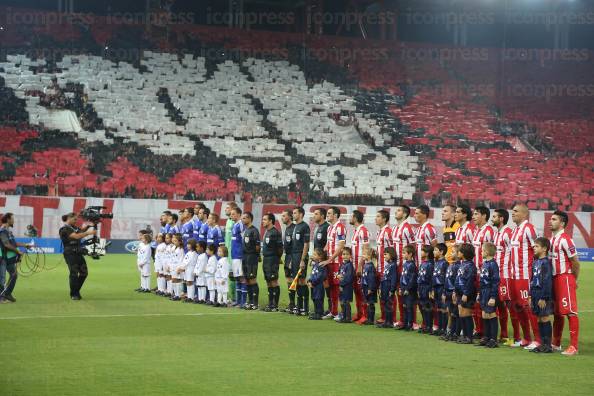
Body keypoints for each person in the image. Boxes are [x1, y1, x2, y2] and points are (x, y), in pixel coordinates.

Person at [549, 210, 580, 356]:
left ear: (562, 223)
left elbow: (575, 262)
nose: (550, 221)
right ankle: (556, 343)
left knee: (570, 312)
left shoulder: (565, 239)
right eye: (551, 219)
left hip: (564, 278)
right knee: (557, 313)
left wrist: (574, 279)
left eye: (554, 219)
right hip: (554, 279)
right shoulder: (552, 239)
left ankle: (574, 346)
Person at [510, 203, 540, 350]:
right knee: (517, 307)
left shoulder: (529, 228)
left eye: (515, 211)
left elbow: (539, 249)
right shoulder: (515, 230)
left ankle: (538, 339)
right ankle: (526, 338)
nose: (512, 213)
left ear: (524, 214)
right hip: (514, 275)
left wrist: (536, 271)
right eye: (512, 211)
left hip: (525, 275)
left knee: (528, 307)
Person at [492, 208, 517, 345]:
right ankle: (504, 335)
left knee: (510, 306)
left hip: (506, 275)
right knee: (500, 305)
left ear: (501, 218)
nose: (492, 219)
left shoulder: (508, 233)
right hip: (497, 275)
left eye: (495, 216)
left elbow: (513, 253)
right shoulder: (497, 233)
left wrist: (511, 272)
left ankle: (517, 337)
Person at [58, 212, 96, 300]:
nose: (76, 221)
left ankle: (76, 291)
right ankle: (74, 294)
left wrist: (90, 225)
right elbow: (76, 236)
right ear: (69, 218)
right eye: (74, 219)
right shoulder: (64, 229)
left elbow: (81, 231)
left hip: (79, 252)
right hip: (70, 254)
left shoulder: (73, 227)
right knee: (74, 273)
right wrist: (89, 233)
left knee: (84, 273)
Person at [471, 206, 495, 337]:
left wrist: (485, 269)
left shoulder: (488, 231)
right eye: (473, 214)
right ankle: (479, 330)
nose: (473, 216)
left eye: (476, 214)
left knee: (485, 303)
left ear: (484, 216)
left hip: (484, 272)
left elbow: (490, 252)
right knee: (476, 302)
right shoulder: (476, 231)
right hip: (475, 271)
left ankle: (488, 333)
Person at [413, 205, 437, 329]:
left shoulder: (429, 229)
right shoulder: (418, 229)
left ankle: (434, 324)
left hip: (428, 268)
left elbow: (435, 247)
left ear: (424, 214)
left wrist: (432, 266)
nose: (414, 215)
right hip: (419, 267)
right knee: (420, 298)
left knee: (429, 298)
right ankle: (425, 322)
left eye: (417, 213)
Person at [320, 206, 346, 319]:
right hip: (329, 262)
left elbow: (341, 246)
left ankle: (343, 312)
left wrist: (330, 259)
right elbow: (327, 244)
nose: (327, 215)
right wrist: (321, 256)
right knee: (331, 287)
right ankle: (333, 311)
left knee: (338, 287)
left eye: (329, 213)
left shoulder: (340, 227)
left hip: (337, 262)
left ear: (335, 215)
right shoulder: (330, 228)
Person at [0, 214, 32, 303]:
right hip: (2, 257)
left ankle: (7, 294)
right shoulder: (2, 231)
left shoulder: (8, 231)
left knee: (14, 275)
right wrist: (17, 251)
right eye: (12, 219)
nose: (14, 221)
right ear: (8, 219)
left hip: (8, 257)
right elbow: (6, 244)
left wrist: (25, 245)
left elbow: (13, 243)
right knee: (2, 278)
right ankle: (1, 297)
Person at [530, 238, 554, 354]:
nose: (534, 248)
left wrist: (544, 297)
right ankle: (542, 344)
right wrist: (530, 295)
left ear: (544, 249)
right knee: (539, 318)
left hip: (542, 294)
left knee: (544, 317)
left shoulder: (545, 263)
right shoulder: (535, 262)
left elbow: (547, 281)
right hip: (535, 294)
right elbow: (532, 279)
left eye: (537, 246)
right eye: (534, 246)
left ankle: (548, 345)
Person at [392, 205, 414, 327]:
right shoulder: (395, 228)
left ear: (405, 214)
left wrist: (410, 265)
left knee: (408, 293)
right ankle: (402, 319)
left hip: (405, 266)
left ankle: (412, 321)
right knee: (399, 292)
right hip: (396, 266)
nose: (396, 212)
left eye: (399, 210)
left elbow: (412, 248)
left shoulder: (407, 228)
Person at [477, 242, 500, 348]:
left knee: (491, 314)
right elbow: (481, 280)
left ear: (487, 252)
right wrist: (479, 293)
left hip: (490, 291)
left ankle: (493, 339)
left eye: (482, 250)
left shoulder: (493, 264)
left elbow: (495, 282)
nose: (481, 252)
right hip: (483, 292)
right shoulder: (485, 264)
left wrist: (493, 297)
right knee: (484, 314)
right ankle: (486, 336)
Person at [289, 207, 310, 316]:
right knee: (296, 280)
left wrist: (302, 259)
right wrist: (293, 259)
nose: (293, 215)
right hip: (295, 256)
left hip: (301, 256)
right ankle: (299, 305)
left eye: (295, 213)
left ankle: (305, 307)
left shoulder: (305, 226)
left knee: (302, 280)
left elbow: (306, 244)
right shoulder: (296, 226)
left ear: (301, 214)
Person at [455, 243, 477, 344]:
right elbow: (458, 279)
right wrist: (455, 291)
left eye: (459, 251)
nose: (457, 253)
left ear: (464, 253)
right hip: (460, 293)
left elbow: (470, 281)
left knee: (466, 313)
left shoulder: (470, 266)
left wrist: (466, 294)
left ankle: (469, 336)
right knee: (461, 313)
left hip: (467, 294)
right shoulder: (462, 264)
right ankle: (464, 335)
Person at [350, 209, 370, 323]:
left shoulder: (363, 231)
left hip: (360, 266)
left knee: (362, 291)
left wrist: (360, 266)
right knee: (357, 291)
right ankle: (359, 313)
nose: (349, 219)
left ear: (355, 218)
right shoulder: (356, 231)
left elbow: (365, 250)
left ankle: (365, 315)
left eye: (351, 217)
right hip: (354, 265)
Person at [261, 213, 283, 312]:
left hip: (272, 259)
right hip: (266, 259)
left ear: (270, 221)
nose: (263, 221)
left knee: (274, 281)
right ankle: (270, 303)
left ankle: (275, 305)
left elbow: (280, 248)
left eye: (265, 219)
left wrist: (277, 258)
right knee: (268, 281)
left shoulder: (275, 232)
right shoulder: (267, 232)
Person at [374, 209, 393, 324]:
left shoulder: (387, 231)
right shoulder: (379, 231)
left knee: (388, 295)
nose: (376, 218)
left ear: (384, 219)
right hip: (380, 267)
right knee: (381, 293)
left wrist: (389, 266)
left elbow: (391, 250)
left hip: (386, 268)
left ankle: (390, 318)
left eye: (378, 216)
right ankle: (383, 316)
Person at [312, 208, 330, 316]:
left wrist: (322, 258)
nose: (314, 216)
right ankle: (320, 309)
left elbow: (328, 244)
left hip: (323, 261)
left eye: (316, 214)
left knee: (325, 283)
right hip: (317, 260)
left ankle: (329, 308)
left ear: (322, 216)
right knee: (318, 283)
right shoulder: (317, 227)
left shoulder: (327, 227)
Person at [242, 211, 261, 310]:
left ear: (250, 219)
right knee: (247, 280)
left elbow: (257, 246)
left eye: (244, 218)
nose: (243, 219)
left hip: (251, 257)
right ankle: (250, 301)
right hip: (245, 257)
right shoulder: (245, 230)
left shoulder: (254, 230)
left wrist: (255, 256)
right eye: (242, 218)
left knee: (252, 279)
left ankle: (255, 303)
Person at [441, 245, 461, 341]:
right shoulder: (450, 265)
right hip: (447, 292)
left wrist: (454, 292)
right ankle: (450, 331)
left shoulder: (458, 266)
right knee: (449, 313)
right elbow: (446, 280)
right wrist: (444, 292)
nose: (450, 254)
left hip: (454, 293)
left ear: (458, 254)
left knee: (455, 313)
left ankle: (456, 333)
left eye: (453, 252)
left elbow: (457, 282)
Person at [377, 247, 398, 329]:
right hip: (384, 288)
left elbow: (393, 278)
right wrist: (380, 287)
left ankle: (390, 322)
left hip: (388, 288)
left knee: (389, 305)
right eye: (383, 254)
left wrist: (392, 289)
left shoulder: (393, 265)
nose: (384, 256)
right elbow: (383, 277)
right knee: (385, 305)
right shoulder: (387, 265)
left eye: (386, 254)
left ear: (391, 254)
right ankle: (386, 321)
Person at [397, 245, 417, 331]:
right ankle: (405, 323)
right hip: (403, 289)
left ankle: (410, 324)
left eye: (404, 253)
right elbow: (402, 277)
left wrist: (408, 289)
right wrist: (401, 288)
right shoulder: (405, 264)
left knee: (409, 307)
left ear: (410, 254)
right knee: (404, 306)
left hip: (409, 290)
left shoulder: (412, 265)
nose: (402, 254)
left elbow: (412, 279)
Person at [230, 207, 246, 307]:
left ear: (239, 214)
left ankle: (243, 302)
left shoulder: (240, 225)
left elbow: (244, 239)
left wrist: (243, 253)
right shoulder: (234, 225)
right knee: (237, 277)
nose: (231, 215)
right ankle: (238, 301)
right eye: (231, 214)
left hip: (239, 255)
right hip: (234, 255)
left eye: (233, 214)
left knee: (242, 277)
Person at [281, 209, 296, 313]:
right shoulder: (287, 229)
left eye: (284, 216)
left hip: (292, 256)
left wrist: (292, 260)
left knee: (295, 280)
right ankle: (292, 303)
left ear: (290, 217)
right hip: (287, 257)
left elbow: (295, 245)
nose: (282, 218)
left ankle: (296, 304)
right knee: (288, 280)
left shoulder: (294, 228)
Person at [417, 245, 434, 334]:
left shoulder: (430, 265)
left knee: (428, 307)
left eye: (422, 251)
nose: (421, 253)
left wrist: (431, 290)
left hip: (427, 288)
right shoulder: (422, 263)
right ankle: (425, 325)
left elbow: (431, 278)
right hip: (421, 288)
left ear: (427, 253)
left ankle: (429, 326)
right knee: (422, 307)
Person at [432, 243, 448, 336]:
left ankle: (444, 328)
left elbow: (446, 279)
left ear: (441, 252)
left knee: (443, 309)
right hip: (436, 288)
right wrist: (432, 289)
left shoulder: (445, 263)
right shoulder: (436, 262)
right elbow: (433, 277)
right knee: (438, 308)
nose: (433, 252)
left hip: (442, 288)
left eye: (435, 250)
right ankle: (439, 327)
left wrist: (444, 292)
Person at [307, 249, 328, 320]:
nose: (313, 256)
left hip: (318, 286)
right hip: (313, 285)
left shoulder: (321, 265)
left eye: (315, 254)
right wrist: (309, 281)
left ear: (320, 257)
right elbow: (312, 274)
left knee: (318, 299)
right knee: (314, 298)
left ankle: (319, 313)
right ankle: (316, 312)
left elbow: (321, 276)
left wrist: (313, 283)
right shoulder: (315, 264)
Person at [224, 202, 238, 305]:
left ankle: (237, 298)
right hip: (228, 253)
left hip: (234, 253)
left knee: (235, 276)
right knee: (230, 275)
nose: (226, 210)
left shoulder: (235, 223)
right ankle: (232, 297)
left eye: (228, 208)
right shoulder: (228, 221)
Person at [361, 246, 378, 325]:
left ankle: (371, 320)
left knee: (370, 303)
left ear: (369, 256)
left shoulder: (370, 266)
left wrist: (370, 288)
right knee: (367, 303)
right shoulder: (366, 265)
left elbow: (371, 278)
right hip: (365, 287)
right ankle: (368, 318)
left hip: (369, 288)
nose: (362, 255)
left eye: (364, 254)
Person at [337, 248, 354, 323]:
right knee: (342, 301)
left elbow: (348, 278)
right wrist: (337, 276)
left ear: (350, 256)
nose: (345, 256)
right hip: (342, 286)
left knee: (346, 301)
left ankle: (348, 317)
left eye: (347, 254)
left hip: (347, 287)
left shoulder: (349, 265)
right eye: (344, 254)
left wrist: (341, 284)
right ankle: (343, 316)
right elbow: (339, 273)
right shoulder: (342, 264)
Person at [179, 238, 198, 303]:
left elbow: (188, 262)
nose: (187, 245)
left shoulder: (194, 253)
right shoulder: (188, 253)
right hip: (187, 269)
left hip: (191, 269)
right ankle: (189, 296)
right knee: (187, 282)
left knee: (190, 282)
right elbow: (184, 261)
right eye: (187, 244)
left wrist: (182, 268)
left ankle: (191, 297)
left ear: (192, 245)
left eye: (189, 244)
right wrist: (182, 267)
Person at [170, 234, 185, 301]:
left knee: (178, 280)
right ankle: (175, 294)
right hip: (172, 266)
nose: (174, 242)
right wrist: (169, 265)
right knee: (173, 280)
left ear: (180, 242)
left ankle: (179, 295)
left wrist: (180, 268)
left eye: (176, 241)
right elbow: (171, 258)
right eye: (174, 240)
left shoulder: (181, 250)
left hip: (177, 267)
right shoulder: (173, 248)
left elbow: (181, 260)